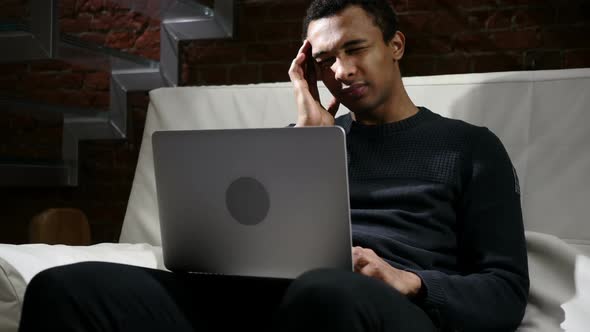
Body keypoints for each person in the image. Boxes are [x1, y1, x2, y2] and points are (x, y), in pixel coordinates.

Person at [18, 0, 529, 331]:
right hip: (263, 302)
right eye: (325, 60)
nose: (342, 71)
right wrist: (308, 142)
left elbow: (504, 289)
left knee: (324, 290)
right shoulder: (306, 141)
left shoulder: (470, 147)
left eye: (356, 49)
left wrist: (411, 282)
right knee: (63, 289)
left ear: (395, 46)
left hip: (378, 306)